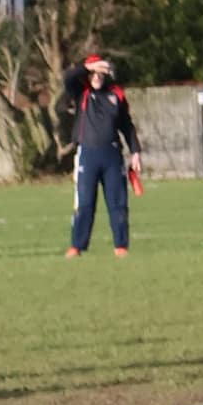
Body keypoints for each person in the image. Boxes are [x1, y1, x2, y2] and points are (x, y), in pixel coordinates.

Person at [63, 54, 140, 258]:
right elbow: (68, 77)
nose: (96, 77)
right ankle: (77, 246)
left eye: (100, 73)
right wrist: (89, 67)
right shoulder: (81, 92)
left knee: (118, 203)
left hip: (112, 156)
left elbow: (126, 125)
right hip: (87, 155)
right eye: (93, 73)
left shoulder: (116, 94)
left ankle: (121, 246)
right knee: (85, 203)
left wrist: (135, 151)